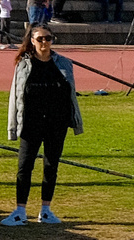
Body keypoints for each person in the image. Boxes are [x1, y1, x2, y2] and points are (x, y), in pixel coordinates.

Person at [6, 24, 79, 225]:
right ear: (32, 41)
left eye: (48, 38)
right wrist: (13, 125)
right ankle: (20, 210)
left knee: (51, 166)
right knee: (24, 166)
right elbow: (16, 96)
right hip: (31, 124)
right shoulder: (23, 64)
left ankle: (45, 210)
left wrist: (71, 120)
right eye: (40, 39)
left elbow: (70, 95)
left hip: (57, 124)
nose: (44, 43)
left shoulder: (63, 63)